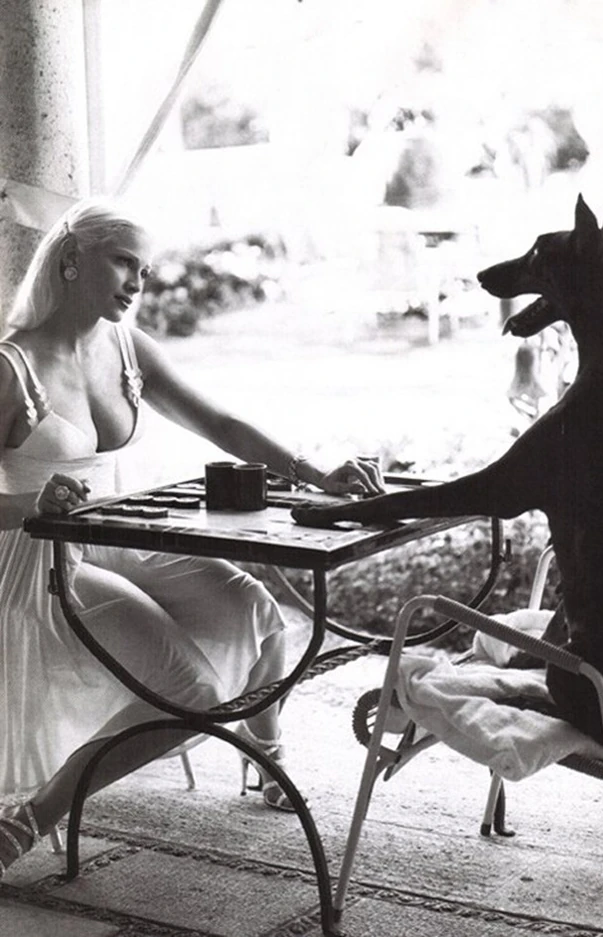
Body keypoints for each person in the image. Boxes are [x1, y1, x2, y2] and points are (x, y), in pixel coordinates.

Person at [0, 198, 384, 877]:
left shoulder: (127, 347)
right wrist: (36, 502)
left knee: (255, 609)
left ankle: (262, 751)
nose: (137, 283)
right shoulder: (11, 367)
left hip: (113, 533)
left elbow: (223, 424)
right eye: (124, 262)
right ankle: (30, 817)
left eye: (146, 269)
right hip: (35, 557)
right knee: (193, 693)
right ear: (70, 259)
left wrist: (317, 473)